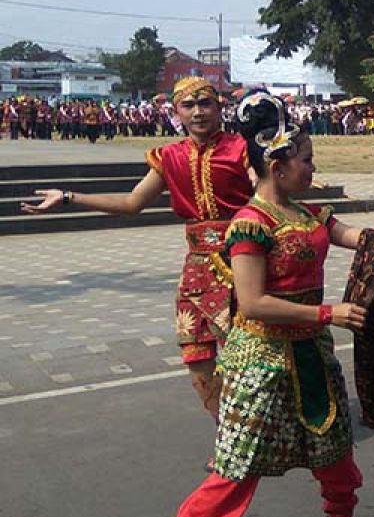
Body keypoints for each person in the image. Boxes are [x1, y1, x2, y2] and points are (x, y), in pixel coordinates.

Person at [148, 92, 374, 517]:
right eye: (305, 158)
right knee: (235, 469)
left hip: (310, 357)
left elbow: (359, 236)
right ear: (277, 166)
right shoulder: (250, 224)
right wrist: (329, 314)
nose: (313, 166)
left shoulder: (309, 213)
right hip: (261, 361)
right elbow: (252, 301)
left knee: (336, 452)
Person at [21, 77, 253, 418]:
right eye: (188, 106)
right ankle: (229, 432)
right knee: (197, 357)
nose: (198, 113)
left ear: (220, 107)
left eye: (206, 104)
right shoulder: (169, 157)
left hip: (246, 261)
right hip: (198, 271)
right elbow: (132, 202)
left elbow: (264, 193)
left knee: (250, 351)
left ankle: (258, 429)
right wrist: (70, 197)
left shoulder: (242, 149)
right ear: (176, 113)